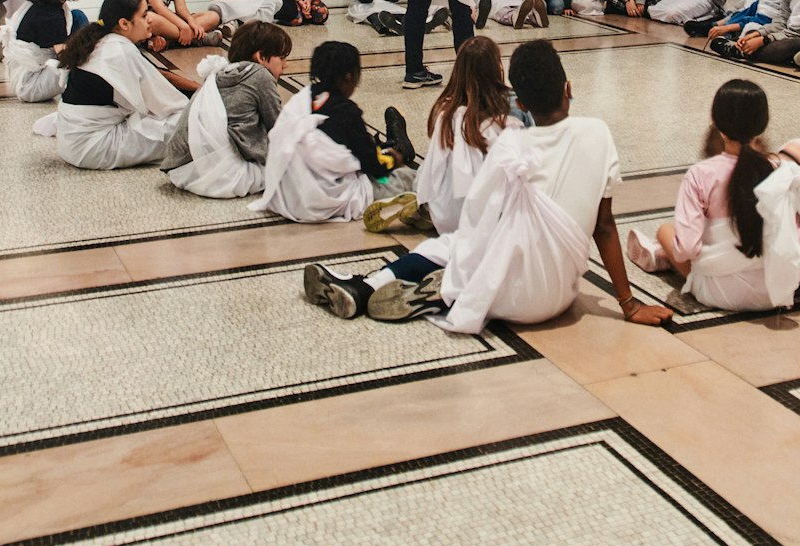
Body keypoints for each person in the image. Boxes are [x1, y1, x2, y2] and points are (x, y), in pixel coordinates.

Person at [301, 41, 673, 330]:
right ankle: (430, 287)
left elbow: (477, 227)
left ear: (521, 101)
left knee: (452, 243)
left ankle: (387, 286)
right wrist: (629, 303)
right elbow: (604, 226)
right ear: (568, 87)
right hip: (561, 296)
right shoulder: (597, 133)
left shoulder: (510, 143)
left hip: (500, 298)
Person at [625, 80, 800, 313]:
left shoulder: (700, 174)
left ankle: (662, 252)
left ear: (716, 123)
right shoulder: (783, 171)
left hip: (718, 294)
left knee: (666, 231)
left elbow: (687, 249)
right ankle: (664, 254)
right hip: (778, 289)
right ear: (763, 126)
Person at [250, 41, 418, 225]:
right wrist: (393, 162)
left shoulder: (301, 99)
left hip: (288, 198)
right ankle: (409, 204)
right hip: (329, 198)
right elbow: (372, 166)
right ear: (348, 77)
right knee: (405, 178)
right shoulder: (346, 111)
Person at [52, 0, 190, 169]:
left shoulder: (99, 40)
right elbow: (165, 102)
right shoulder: (120, 49)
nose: (150, 19)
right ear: (124, 24)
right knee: (185, 127)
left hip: (72, 143)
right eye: (144, 15)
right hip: (94, 148)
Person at [162, 21, 292, 198]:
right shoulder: (260, 74)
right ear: (261, 57)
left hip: (182, 170)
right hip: (220, 177)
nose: (286, 65)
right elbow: (277, 126)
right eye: (282, 57)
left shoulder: (221, 72)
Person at [414, 36, 522, 233]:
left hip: (444, 215)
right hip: (490, 220)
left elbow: (432, 168)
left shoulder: (444, 113)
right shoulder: (508, 117)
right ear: (497, 68)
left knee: (414, 174)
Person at [3, 0, 86, 103]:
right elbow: (65, 58)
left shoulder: (42, 3)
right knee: (78, 58)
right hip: (31, 85)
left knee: (77, 16)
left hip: (28, 74)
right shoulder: (50, 16)